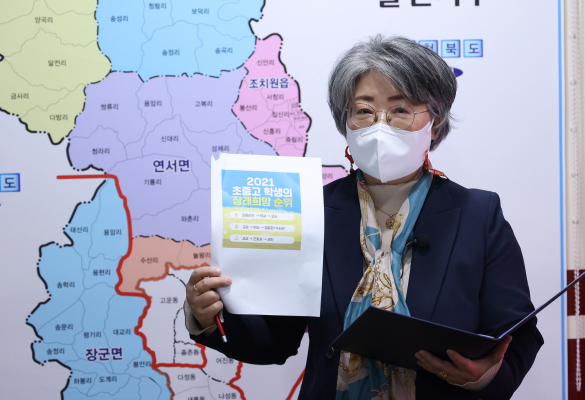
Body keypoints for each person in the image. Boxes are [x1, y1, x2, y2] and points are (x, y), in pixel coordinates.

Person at [184, 35, 543, 399]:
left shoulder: (478, 216)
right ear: (346, 122)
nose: (380, 126)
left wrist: (481, 377)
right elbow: (274, 342)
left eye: (400, 109)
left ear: (434, 123)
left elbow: (519, 334)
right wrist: (207, 318)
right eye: (364, 111)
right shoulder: (310, 211)